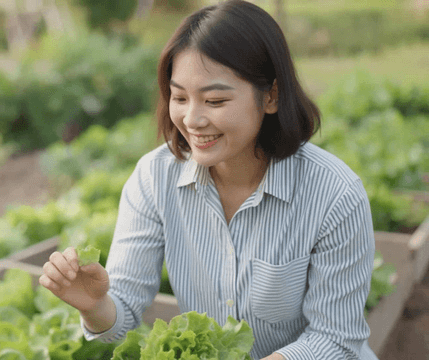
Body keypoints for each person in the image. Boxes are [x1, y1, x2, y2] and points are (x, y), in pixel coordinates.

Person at [39, 1, 378, 359]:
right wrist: (95, 306)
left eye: (214, 100)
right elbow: (121, 313)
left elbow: (335, 338)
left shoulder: (335, 194)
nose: (192, 119)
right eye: (180, 97)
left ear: (271, 96)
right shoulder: (154, 179)